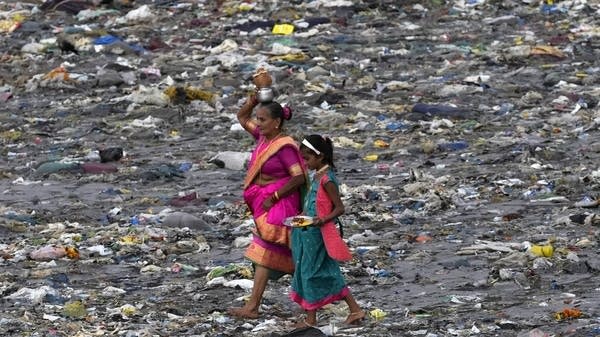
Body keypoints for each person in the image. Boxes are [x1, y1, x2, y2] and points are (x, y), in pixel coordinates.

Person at [228, 94, 306, 319]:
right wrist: (253, 99)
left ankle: (255, 307)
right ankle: (255, 306)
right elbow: (242, 117)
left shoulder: (285, 146)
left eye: (263, 119)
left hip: (280, 204)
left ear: (277, 122)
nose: (258, 123)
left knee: (274, 250)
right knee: (279, 255)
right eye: (258, 119)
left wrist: (275, 196)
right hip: (265, 202)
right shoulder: (262, 138)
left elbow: (298, 177)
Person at [290, 134, 365, 327]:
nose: (305, 163)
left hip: (318, 233)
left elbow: (339, 208)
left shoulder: (327, 179)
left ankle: (311, 319)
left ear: (320, 156)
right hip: (307, 231)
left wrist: (321, 219)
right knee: (326, 271)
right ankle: (355, 310)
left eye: (307, 159)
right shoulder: (316, 175)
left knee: (309, 272)